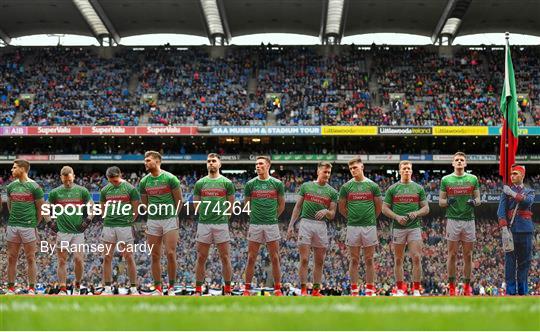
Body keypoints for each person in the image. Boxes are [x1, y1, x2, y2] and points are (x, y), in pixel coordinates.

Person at [287, 161, 338, 296]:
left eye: (329, 172)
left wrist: (326, 212)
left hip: (321, 226)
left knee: (319, 261)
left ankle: (316, 290)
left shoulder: (332, 192)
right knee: (304, 259)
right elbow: (297, 207)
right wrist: (291, 225)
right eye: (324, 171)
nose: (327, 174)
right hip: (306, 223)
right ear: (318, 171)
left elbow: (332, 214)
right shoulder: (306, 186)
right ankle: (303, 290)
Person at [382, 160, 429, 296]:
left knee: (416, 257)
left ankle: (416, 289)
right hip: (398, 227)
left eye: (409, 168)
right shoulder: (393, 188)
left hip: (414, 227)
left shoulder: (418, 188)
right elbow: (384, 208)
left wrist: (416, 213)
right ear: (400, 171)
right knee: (398, 259)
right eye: (404, 168)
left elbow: (426, 208)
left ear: (411, 171)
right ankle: (400, 289)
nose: (407, 170)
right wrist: (396, 217)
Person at [139, 151, 182, 296]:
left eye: (148, 160)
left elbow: (179, 201)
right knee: (155, 255)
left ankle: (171, 287)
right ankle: (158, 288)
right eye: (145, 160)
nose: (145, 163)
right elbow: (144, 203)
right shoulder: (144, 181)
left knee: (170, 253)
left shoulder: (170, 178)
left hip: (169, 219)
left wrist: (174, 216)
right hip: (153, 220)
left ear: (157, 162)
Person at [338, 157, 382, 296]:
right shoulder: (346, 187)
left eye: (355, 167)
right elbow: (341, 208)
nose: (352, 170)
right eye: (350, 169)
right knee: (354, 259)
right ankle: (354, 290)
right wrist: (353, 218)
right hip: (353, 227)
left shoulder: (373, 186)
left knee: (369, 259)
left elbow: (379, 207)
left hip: (369, 226)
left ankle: (369, 289)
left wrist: (369, 218)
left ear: (362, 167)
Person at [193, 153, 236, 296]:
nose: (211, 163)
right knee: (201, 257)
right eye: (209, 161)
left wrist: (224, 217)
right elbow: (196, 204)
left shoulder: (227, 183)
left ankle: (228, 290)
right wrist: (205, 215)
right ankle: (198, 290)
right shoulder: (200, 183)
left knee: (225, 257)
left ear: (219, 164)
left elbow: (231, 204)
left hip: (221, 224)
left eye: (214, 161)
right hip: (204, 224)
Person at [47, 166, 94, 295]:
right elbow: (46, 208)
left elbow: (91, 206)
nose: (67, 182)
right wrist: (50, 223)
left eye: (69, 179)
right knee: (62, 260)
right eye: (65, 179)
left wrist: (88, 220)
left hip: (78, 233)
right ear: (61, 177)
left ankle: (77, 285)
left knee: (78, 259)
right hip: (62, 232)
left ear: (73, 176)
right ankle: (63, 288)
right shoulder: (55, 192)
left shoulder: (82, 190)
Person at [439, 152, 480, 296]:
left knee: (468, 255)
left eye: (462, 160)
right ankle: (451, 286)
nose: (459, 162)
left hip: (469, 220)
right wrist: (447, 202)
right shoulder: (446, 179)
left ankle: (467, 286)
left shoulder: (473, 179)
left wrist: (474, 202)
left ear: (466, 163)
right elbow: (441, 202)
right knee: (452, 255)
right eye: (456, 160)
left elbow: (478, 199)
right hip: (453, 220)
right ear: (452, 163)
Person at [243, 156, 285, 296]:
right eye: (256, 164)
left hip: (271, 225)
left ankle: (278, 289)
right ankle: (247, 289)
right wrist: (254, 216)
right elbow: (246, 204)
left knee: (275, 257)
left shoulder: (277, 184)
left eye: (260, 164)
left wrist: (273, 217)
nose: (257, 166)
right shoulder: (250, 184)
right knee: (251, 258)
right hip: (255, 224)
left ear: (268, 166)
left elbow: (282, 205)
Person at [5, 159, 45, 295]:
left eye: (14, 167)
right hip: (13, 226)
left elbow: (41, 209)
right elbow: (10, 207)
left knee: (30, 258)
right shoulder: (10, 187)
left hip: (28, 226)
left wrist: (34, 224)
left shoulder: (35, 187)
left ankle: (32, 288)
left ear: (22, 169)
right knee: (11, 257)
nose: (12, 170)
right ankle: (10, 288)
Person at [99, 166, 140, 296]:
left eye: (116, 180)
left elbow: (136, 209)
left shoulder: (130, 189)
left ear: (120, 175)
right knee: (107, 257)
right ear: (107, 178)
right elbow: (102, 209)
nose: (114, 183)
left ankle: (133, 288)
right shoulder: (105, 190)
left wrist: (129, 221)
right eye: (111, 181)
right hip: (109, 225)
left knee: (128, 257)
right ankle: (107, 288)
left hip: (124, 226)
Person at [497, 164, 535, 295]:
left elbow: (526, 202)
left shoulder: (529, 191)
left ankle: (523, 291)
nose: (512, 176)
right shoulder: (505, 192)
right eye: (511, 174)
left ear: (522, 175)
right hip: (511, 231)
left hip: (525, 230)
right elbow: (501, 211)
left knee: (525, 262)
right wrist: (504, 228)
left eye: (515, 174)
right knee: (510, 263)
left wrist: (512, 193)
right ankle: (511, 291)